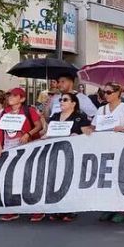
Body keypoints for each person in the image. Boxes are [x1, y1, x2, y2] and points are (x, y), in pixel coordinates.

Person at [0, 87, 43, 222]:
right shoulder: (6, 111)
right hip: (9, 148)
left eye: (14, 95)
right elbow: (0, 129)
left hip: (27, 148)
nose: (10, 98)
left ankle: (37, 209)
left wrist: (28, 134)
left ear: (22, 98)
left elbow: (38, 126)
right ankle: (12, 209)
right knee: (11, 178)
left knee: (29, 177)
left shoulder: (29, 110)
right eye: (9, 95)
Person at [47, 92, 93, 222]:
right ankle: (57, 208)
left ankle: (70, 209)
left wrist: (77, 136)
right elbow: (47, 133)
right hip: (55, 153)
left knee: (69, 180)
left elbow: (89, 134)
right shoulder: (55, 116)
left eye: (65, 100)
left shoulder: (79, 117)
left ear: (73, 103)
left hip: (72, 154)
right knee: (55, 181)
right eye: (61, 100)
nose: (61, 102)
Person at [94, 82, 124, 224]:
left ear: (118, 93)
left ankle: (122, 209)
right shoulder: (102, 109)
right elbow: (94, 126)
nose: (106, 95)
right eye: (104, 92)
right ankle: (109, 206)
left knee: (121, 176)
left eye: (109, 92)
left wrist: (123, 129)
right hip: (105, 146)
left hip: (121, 146)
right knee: (107, 177)